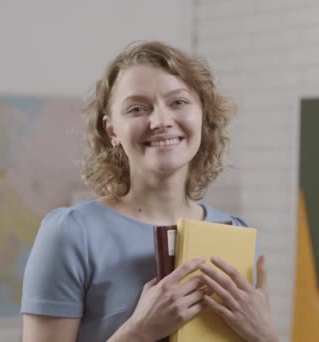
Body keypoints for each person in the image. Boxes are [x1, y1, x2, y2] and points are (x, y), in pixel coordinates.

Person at [21, 41, 279, 342]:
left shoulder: (236, 234)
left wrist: (266, 337)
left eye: (178, 102)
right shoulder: (70, 233)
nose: (161, 121)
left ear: (203, 116)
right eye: (137, 108)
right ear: (112, 131)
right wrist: (139, 332)